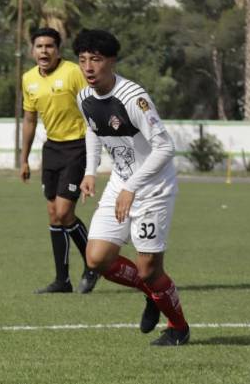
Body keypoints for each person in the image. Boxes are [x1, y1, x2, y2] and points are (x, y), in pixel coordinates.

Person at [74, 30, 189, 346]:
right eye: (83, 60)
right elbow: (92, 130)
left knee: (149, 269)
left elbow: (164, 147)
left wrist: (133, 187)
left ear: (111, 61)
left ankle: (178, 327)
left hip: (152, 189)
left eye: (95, 60)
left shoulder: (132, 97)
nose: (88, 68)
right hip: (120, 184)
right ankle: (152, 294)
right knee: (96, 259)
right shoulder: (84, 97)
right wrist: (90, 172)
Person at [19, 27, 100, 294]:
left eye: (50, 46)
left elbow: (92, 105)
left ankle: (93, 264)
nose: (44, 51)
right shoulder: (28, 79)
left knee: (65, 212)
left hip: (78, 147)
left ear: (58, 50)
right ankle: (62, 280)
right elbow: (30, 120)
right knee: (54, 214)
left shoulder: (73, 72)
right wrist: (24, 159)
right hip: (51, 148)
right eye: (39, 46)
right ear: (33, 51)